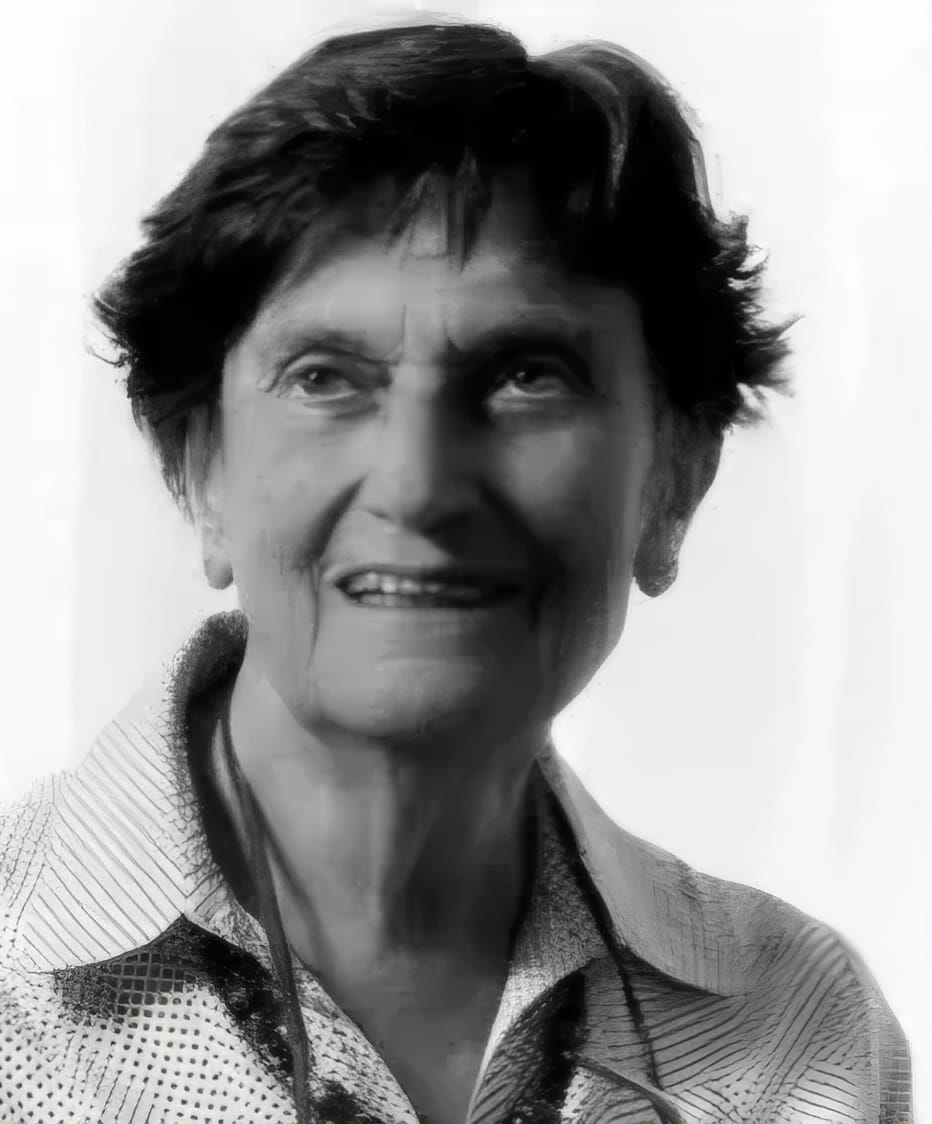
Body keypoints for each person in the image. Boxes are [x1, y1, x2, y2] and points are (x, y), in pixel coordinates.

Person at [0, 18, 911, 1124]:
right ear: (198, 473)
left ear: (674, 480)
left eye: (528, 374)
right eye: (325, 377)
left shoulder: (806, 1034)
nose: (419, 483)